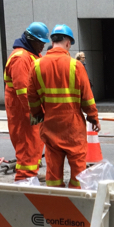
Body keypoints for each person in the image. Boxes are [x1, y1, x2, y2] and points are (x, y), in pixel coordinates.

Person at [27, 24, 100, 188]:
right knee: (78, 172)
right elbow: (87, 98)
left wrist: (38, 114)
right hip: (73, 127)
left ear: (52, 42)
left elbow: (31, 97)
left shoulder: (36, 65)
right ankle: (76, 198)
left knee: (53, 172)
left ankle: (55, 200)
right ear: (67, 43)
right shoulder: (76, 66)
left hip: (50, 125)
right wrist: (93, 118)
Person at [4, 21, 49, 182]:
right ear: (31, 40)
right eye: (40, 42)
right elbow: (23, 91)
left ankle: (32, 174)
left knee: (35, 142)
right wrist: (35, 112)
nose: (43, 46)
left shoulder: (32, 55)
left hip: (30, 109)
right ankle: (24, 179)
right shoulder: (21, 58)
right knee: (26, 143)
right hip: (22, 111)